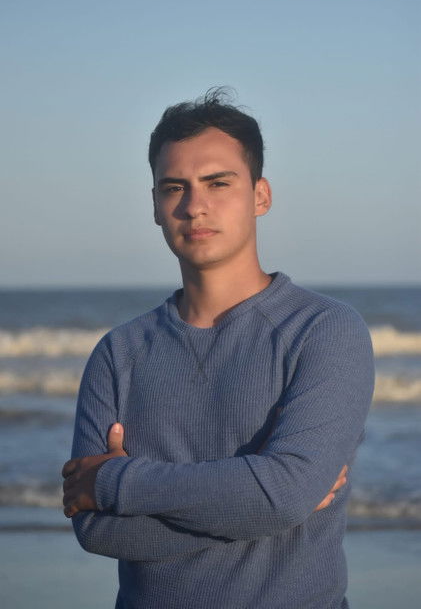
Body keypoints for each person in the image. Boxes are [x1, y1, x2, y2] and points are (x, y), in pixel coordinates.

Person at [62, 88, 374, 608]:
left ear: (260, 196)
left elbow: (283, 494)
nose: (194, 206)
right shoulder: (119, 352)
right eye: (174, 188)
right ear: (156, 206)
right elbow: (97, 530)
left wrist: (116, 481)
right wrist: (266, 505)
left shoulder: (324, 331)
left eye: (218, 183)